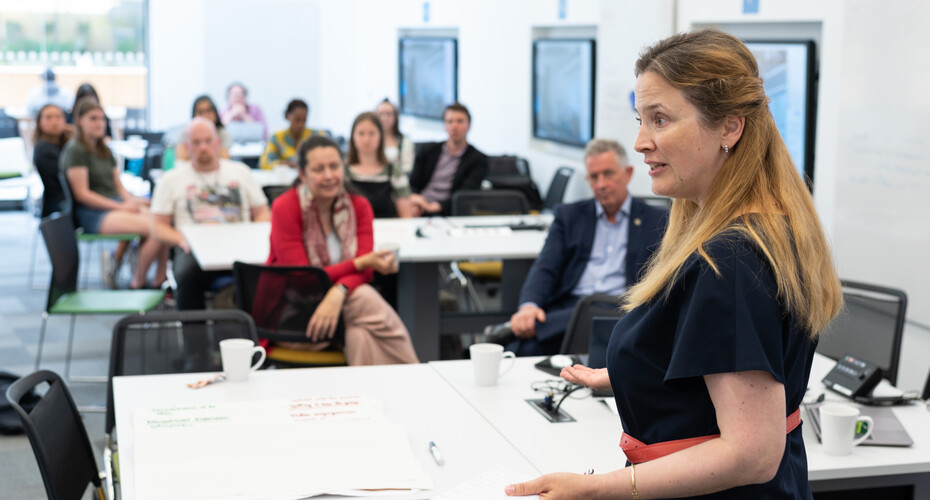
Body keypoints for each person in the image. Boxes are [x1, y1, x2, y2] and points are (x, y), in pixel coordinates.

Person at [506, 29, 843, 499]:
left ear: (729, 127)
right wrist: (635, 371)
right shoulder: (767, 226)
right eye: (641, 120)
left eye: (660, 120)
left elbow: (751, 452)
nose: (641, 142)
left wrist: (596, 490)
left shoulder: (731, 260)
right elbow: (731, 370)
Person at [489, 139, 667, 357]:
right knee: (520, 352)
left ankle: (518, 330)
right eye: (594, 177)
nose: (601, 184)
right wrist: (529, 306)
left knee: (580, 317)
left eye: (608, 174)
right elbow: (546, 266)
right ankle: (525, 332)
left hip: (623, 310)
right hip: (573, 307)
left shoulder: (657, 220)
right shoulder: (569, 216)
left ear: (628, 173)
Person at [266, 135, 419, 365]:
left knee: (361, 333)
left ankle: (364, 398)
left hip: (343, 311)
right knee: (365, 297)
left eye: (334, 166)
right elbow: (302, 278)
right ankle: (415, 376)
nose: (329, 176)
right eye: (319, 169)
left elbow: (368, 271)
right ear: (302, 173)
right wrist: (358, 265)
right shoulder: (286, 207)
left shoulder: (359, 206)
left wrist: (340, 291)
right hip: (294, 313)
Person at [151, 117, 269, 310]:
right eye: (196, 143)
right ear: (187, 147)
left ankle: (258, 332)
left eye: (207, 141)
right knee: (186, 273)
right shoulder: (171, 180)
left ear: (218, 143)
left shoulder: (240, 173)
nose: (203, 147)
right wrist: (181, 239)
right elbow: (157, 226)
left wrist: (253, 233)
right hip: (194, 249)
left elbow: (262, 211)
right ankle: (193, 333)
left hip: (240, 245)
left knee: (264, 270)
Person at [60, 98, 168, 290]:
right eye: (93, 118)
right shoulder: (75, 150)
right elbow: (82, 195)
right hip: (93, 213)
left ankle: (158, 280)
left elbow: (119, 187)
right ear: (80, 120)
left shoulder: (104, 150)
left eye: (102, 119)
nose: (99, 123)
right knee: (157, 228)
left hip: (114, 205)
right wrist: (122, 206)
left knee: (163, 218)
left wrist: (137, 202)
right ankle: (139, 282)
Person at [408, 102, 488, 216]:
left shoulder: (478, 159)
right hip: (420, 206)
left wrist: (434, 207)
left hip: (451, 210)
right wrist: (416, 202)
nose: (454, 126)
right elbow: (413, 183)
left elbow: (465, 194)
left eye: (460, 121)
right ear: (445, 125)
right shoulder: (428, 150)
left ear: (469, 125)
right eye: (449, 121)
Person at [345, 111, 414, 218]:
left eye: (372, 133)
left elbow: (406, 217)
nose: (366, 139)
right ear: (352, 137)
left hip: (387, 231)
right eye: (361, 133)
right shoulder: (342, 173)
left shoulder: (394, 172)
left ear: (381, 136)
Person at [259, 99, 327, 170]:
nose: (301, 125)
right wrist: (283, 164)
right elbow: (264, 163)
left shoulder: (316, 136)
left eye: (304, 120)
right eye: (297, 120)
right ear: (287, 116)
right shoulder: (276, 137)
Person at [32, 104, 73, 218]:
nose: (54, 121)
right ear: (39, 122)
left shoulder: (63, 144)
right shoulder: (44, 149)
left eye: (58, 117)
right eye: (48, 117)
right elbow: (68, 175)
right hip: (60, 206)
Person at [175, 95, 231, 161]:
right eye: (200, 112)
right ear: (194, 115)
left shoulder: (223, 134)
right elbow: (181, 160)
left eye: (209, 110)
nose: (205, 115)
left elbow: (224, 160)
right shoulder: (185, 133)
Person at [375, 98, 415, 174]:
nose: (384, 118)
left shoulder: (404, 140)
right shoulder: (370, 139)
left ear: (395, 117)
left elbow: (407, 169)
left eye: (388, 114)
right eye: (380, 114)